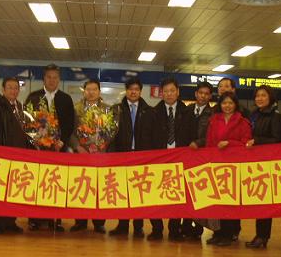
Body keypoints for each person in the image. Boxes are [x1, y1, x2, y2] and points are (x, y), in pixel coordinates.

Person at [25, 64, 75, 232]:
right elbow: (27, 122)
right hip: (37, 151)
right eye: (49, 77)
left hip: (58, 150)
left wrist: (62, 141)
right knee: (37, 184)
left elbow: (70, 124)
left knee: (56, 183)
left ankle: (56, 219)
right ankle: (34, 219)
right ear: (43, 79)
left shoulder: (66, 99)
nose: (52, 80)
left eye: (55, 77)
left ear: (59, 80)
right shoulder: (33, 97)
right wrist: (35, 140)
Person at [149, 77, 195, 242]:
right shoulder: (153, 112)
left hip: (180, 161)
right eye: (166, 91)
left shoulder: (188, 112)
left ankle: (174, 230)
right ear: (161, 93)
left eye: (172, 91)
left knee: (178, 196)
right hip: (159, 160)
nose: (169, 94)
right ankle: (157, 229)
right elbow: (148, 137)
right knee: (155, 196)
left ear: (178, 92)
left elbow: (192, 135)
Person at [205, 91, 252, 247]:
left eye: (230, 103)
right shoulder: (214, 120)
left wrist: (230, 144)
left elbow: (246, 143)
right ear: (220, 104)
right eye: (224, 103)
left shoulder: (243, 122)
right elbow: (209, 142)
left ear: (235, 105)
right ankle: (217, 233)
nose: (227, 106)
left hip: (234, 167)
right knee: (217, 201)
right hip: (216, 166)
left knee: (230, 202)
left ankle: (229, 233)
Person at [108, 77, 153, 238]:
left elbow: (152, 137)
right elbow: (110, 135)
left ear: (140, 91)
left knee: (139, 193)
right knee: (123, 192)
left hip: (141, 158)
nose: (133, 92)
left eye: (136, 89)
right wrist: (113, 156)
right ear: (126, 91)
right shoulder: (116, 110)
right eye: (130, 89)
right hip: (122, 156)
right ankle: (122, 225)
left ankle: (138, 227)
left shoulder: (148, 111)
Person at [69, 79, 114, 233]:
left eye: (94, 89)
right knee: (81, 186)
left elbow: (111, 132)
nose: (91, 92)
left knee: (99, 189)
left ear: (99, 91)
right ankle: (80, 221)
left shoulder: (107, 110)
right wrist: (77, 146)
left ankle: (99, 222)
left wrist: (102, 146)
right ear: (84, 91)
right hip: (81, 155)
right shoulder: (76, 109)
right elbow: (70, 131)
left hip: (100, 156)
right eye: (88, 89)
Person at [0, 77, 32, 234]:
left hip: (20, 156)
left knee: (14, 190)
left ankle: (11, 221)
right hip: (3, 155)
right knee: (1, 191)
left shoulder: (22, 107)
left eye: (16, 88)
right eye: (10, 88)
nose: (13, 91)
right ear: (3, 89)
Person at [245, 85, 281, 248]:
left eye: (263, 95)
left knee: (265, 200)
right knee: (258, 199)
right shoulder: (255, 115)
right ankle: (260, 235)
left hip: (267, 164)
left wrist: (257, 141)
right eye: (257, 96)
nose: (259, 98)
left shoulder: (275, 116)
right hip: (255, 163)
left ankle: (263, 236)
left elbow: (277, 139)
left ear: (270, 97)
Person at [185, 81, 214, 240]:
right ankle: (186, 224)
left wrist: (199, 143)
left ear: (210, 96)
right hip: (186, 156)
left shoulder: (213, 113)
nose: (203, 96)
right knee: (186, 192)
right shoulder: (187, 110)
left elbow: (212, 135)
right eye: (200, 93)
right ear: (196, 94)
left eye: (206, 94)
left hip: (203, 158)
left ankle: (198, 226)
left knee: (200, 192)